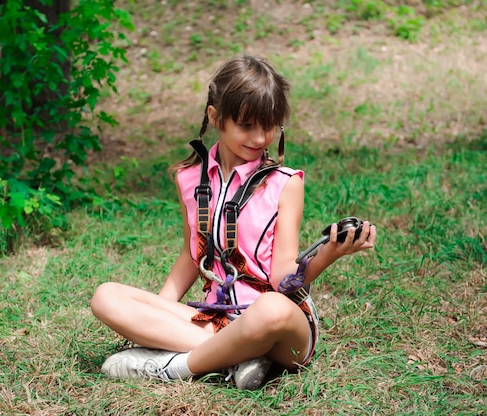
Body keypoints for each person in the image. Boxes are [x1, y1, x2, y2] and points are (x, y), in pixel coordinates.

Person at [90, 55, 377, 390]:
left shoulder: (286, 184)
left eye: (269, 126)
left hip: (280, 328)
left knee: (271, 308)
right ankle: (237, 357)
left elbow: (283, 276)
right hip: (215, 320)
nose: (259, 138)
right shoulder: (188, 179)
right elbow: (190, 257)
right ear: (215, 117)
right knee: (106, 296)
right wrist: (158, 315)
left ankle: (176, 367)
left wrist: (330, 253)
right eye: (246, 125)